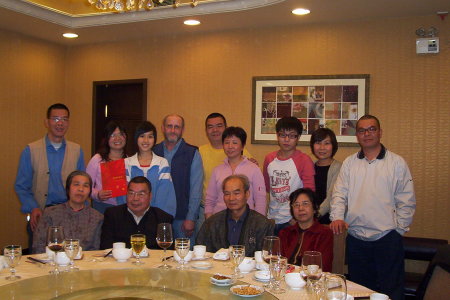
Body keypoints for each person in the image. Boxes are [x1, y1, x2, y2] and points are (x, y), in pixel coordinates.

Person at [330, 115, 416, 300]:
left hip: (387, 238)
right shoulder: (349, 163)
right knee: (361, 291)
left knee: (391, 291)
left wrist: (398, 230)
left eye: (371, 129)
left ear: (380, 132)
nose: (367, 134)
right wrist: (336, 217)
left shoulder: (396, 163)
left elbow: (406, 200)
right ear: (357, 135)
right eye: (362, 130)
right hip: (356, 238)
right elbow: (339, 194)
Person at [15, 103, 85, 248]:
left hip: (69, 213)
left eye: (64, 119)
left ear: (68, 123)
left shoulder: (77, 150)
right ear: (47, 122)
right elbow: (22, 186)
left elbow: (82, 185)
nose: (60, 123)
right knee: (40, 259)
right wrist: (33, 207)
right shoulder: (31, 150)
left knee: (70, 256)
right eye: (56, 119)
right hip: (41, 213)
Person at [196, 113, 253, 235]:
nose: (215, 130)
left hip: (239, 211)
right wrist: (208, 213)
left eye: (219, 126)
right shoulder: (199, 152)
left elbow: (253, 186)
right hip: (207, 209)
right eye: (210, 126)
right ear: (206, 130)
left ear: (225, 127)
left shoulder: (242, 152)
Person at [153, 114, 203, 244]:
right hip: (157, 217)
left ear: (182, 130)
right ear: (163, 128)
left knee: (185, 259)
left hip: (183, 218)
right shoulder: (154, 151)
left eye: (177, 127)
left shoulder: (192, 153)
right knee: (158, 258)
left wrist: (191, 218)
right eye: (169, 126)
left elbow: (196, 189)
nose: (173, 130)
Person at [196, 175, 274, 257]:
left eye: (236, 193)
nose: (231, 198)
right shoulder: (212, 223)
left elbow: (266, 258)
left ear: (247, 194)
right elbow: (201, 252)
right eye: (227, 194)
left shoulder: (262, 224)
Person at [263, 116, 315, 235]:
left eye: (292, 136)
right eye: (282, 135)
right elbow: (266, 190)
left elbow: (310, 193)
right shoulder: (269, 159)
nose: (286, 139)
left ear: (298, 137)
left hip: (292, 220)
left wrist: (296, 219)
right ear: (277, 136)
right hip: (271, 219)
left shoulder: (304, 160)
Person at [32, 171, 103, 253]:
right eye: (76, 184)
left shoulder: (97, 217)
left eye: (85, 186)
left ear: (90, 191)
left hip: (85, 263)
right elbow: (38, 246)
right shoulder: (50, 213)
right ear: (68, 188)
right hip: (54, 262)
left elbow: (96, 250)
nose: (80, 189)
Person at [204, 126, 266, 218]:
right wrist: (209, 221)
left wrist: (258, 223)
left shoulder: (254, 169)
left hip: (247, 220)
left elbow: (260, 199)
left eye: (235, 142)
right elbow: (210, 199)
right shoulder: (217, 170)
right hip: (220, 220)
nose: (230, 146)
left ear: (242, 146)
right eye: (227, 142)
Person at [100, 176, 173, 249]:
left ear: (150, 196)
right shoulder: (112, 214)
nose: (135, 198)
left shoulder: (163, 218)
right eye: (131, 193)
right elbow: (105, 247)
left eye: (141, 194)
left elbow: (167, 251)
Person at [124, 121, 176, 217]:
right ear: (136, 138)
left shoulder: (162, 163)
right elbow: (124, 196)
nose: (146, 140)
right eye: (142, 136)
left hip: (156, 218)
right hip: (130, 218)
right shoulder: (127, 163)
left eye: (150, 136)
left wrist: (154, 218)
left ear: (155, 139)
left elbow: (164, 197)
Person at [278, 188, 333, 272]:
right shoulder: (285, 233)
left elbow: (323, 266)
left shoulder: (324, 233)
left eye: (305, 204)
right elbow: (278, 262)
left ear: (315, 208)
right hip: (286, 278)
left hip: (312, 280)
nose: (300, 208)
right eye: (296, 205)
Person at [86, 121, 128, 214]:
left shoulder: (129, 160)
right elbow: (86, 185)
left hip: (124, 207)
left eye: (121, 134)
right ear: (106, 138)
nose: (117, 138)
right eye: (112, 135)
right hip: (102, 206)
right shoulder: (97, 159)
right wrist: (97, 194)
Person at [310, 128, 342, 224]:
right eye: (318, 143)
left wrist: (314, 216)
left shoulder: (339, 168)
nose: (322, 147)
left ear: (333, 146)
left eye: (327, 143)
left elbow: (331, 198)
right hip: (310, 220)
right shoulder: (310, 166)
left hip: (329, 221)